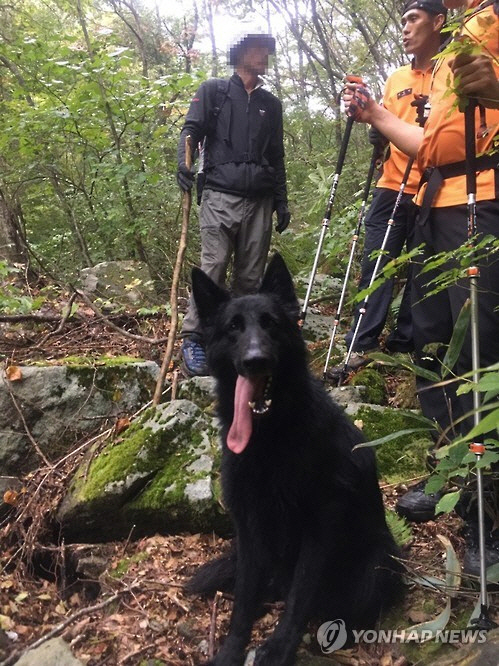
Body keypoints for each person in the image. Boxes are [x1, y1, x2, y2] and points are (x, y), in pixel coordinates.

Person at [343, 0, 499, 574]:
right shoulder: (455, 41)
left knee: (481, 351)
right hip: (434, 203)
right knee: (432, 346)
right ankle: (450, 472)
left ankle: (489, 511)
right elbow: (429, 143)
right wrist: (375, 117)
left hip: (486, 202)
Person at [329, 0, 447, 379]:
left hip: (431, 191)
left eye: (414, 19)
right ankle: (359, 345)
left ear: (438, 22)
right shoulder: (396, 79)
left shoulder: (448, 71)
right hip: (390, 186)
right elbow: (382, 130)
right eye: (402, 21)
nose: (405, 28)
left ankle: (403, 343)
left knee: (420, 271)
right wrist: (363, 114)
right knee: (376, 265)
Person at [177, 31, 290, 376]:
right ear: (241, 55)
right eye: (259, 51)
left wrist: (281, 201)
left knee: (250, 278)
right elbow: (191, 130)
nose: (265, 57)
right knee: (213, 266)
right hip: (219, 195)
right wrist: (184, 163)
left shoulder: (271, 104)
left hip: (260, 200)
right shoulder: (214, 91)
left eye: (267, 52)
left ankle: (245, 347)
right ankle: (195, 339)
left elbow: (277, 156)